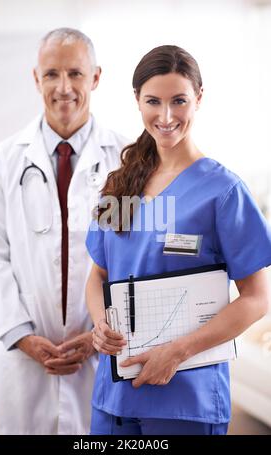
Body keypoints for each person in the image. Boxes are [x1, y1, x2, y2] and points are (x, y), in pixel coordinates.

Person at [85, 45, 271, 435]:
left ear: (199, 99)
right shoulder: (120, 186)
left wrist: (178, 351)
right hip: (114, 398)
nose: (166, 116)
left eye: (179, 101)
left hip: (185, 401)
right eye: (153, 101)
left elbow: (257, 298)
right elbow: (97, 274)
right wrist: (101, 322)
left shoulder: (223, 192)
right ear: (137, 100)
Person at [0, 28, 128, 435]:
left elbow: (132, 259)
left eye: (75, 73)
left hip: (98, 354)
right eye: (52, 74)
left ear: (95, 77)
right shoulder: (5, 160)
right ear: (35, 78)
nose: (64, 87)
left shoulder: (126, 160)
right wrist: (21, 336)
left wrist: (99, 333)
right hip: (24, 361)